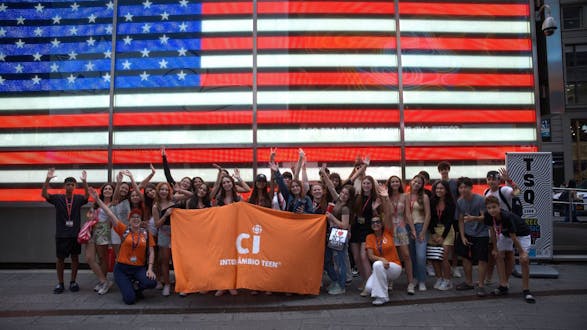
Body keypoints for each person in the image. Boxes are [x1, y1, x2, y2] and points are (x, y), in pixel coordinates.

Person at [89, 188, 157, 305]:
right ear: (129, 220)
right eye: (133, 217)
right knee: (129, 300)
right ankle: (129, 287)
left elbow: (151, 251)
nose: (135, 219)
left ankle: (135, 287)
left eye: (138, 218)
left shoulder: (146, 233)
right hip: (122, 268)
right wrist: (97, 200)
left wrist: (150, 269)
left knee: (151, 282)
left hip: (139, 268)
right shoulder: (123, 229)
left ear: (141, 220)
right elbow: (110, 213)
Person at [41, 168, 89, 294]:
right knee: (60, 259)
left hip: (75, 234)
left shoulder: (78, 199)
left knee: (75, 258)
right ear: (64, 186)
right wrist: (48, 179)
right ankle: (60, 283)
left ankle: (73, 281)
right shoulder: (57, 198)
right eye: (67, 184)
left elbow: (87, 196)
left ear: (75, 186)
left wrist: (84, 182)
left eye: (72, 184)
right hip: (62, 235)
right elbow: (44, 194)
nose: (70, 186)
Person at [484, 196, 535, 303]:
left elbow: (514, 237)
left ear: (499, 207)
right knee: (498, 255)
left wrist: (521, 253)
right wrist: (495, 248)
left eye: (494, 207)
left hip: (521, 234)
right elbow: (492, 233)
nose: (492, 210)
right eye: (489, 208)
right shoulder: (488, 215)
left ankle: (526, 290)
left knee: (524, 260)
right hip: (505, 234)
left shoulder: (506, 216)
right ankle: (503, 285)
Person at [152, 182, 193, 296]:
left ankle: (182, 284)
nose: (164, 192)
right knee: (165, 260)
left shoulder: (174, 199)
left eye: (166, 189)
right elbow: (157, 225)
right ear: (158, 191)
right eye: (162, 189)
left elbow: (190, 195)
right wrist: (165, 215)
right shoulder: (156, 206)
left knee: (179, 260)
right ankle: (167, 284)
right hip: (164, 233)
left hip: (177, 232)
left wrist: (180, 189)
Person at [321, 164, 354, 295]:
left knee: (340, 261)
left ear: (350, 197)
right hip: (334, 233)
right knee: (329, 259)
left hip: (339, 233)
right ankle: (336, 281)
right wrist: (324, 173)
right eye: (343, 192)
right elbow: (330, 186)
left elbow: (344, 226)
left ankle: (341, 285)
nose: (344, 195)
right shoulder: (338, 200)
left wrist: (331, 218)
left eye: (347, 194)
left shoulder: (345, 208)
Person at [455, 177, 489, 297]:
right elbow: (460, 220)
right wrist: (463, 236)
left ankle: (481, 285)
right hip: (467, 233)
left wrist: (473, 218)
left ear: (471, 187)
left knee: (482, 259)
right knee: (465, 257)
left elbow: (486, 217)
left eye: (465, 187)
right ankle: (468, 282)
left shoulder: (481, 200)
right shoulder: (459, 202)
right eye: (460, 187)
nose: (463, 190)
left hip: (482, 233)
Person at [385, 175, 416, 294]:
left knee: (406, 255)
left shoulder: (405, 196)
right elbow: (386, 213)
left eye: (397, 181)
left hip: (402, 228)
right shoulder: (386, 196)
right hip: (389, 228)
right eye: (392, 181)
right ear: (389, 183)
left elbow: (408, 214)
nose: (395, 183)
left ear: (400, 183)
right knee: (391, 256)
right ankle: (390, 281)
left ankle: (410, 283)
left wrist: (412, 229)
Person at [364, 217, 403, 305]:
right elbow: (370, 256)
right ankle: (385, 283)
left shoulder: (388, 232)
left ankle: (382, 297)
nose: (375, 224)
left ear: (382, 224)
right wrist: (382, 259)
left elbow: (388, 214)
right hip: (381, 267)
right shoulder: (369, 237)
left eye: (378, 222)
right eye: (373, 222)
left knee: (377, 264)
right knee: (369, 288)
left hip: (394, 266)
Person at [352, 175, 381, 296]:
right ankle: (365, 280)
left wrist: (374, 209)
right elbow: (353, 214)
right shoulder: (357, 197)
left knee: (364, 257)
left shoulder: (376, 198)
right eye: (364, 183)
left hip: (367, 229)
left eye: (368, 183)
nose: (366, 185)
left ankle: (371, 285)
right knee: (356, 257)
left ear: (372, 185)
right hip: (356, 229)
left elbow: (378, 218)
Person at [428, 180, 456, 291]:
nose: (439, 190)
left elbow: (450, 221)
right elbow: (429, 218)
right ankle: (439, 278)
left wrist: (442, 236)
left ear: (446, 190)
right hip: (434, 231)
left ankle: (448, 280)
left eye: (441, 188)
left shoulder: (451, 202)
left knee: (443, 257)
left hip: (447, 231)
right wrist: (433, 234)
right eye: (437, 188)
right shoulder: (431, 201)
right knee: (434, 257)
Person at [437, 161, 461, 279]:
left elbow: (460, 195)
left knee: (454, 244)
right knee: (442, 244)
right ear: (439, 171)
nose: (444, 171)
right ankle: (443, 267)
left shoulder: (454, 183)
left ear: (448, 170)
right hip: (442, 217)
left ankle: (455, 267)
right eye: (442, 169)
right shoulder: (438, 184)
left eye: (446, 169)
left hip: (455, 216)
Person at [407, 174, 431, 291]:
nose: (416, 184)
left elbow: (428, 215)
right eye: (415, 181)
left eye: (419, 183)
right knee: (412, 256)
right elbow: (406, 214)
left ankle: (422, 280)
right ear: (411, 182)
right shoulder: (406, 196)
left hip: (421, 226)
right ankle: (415, 277)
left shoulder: (424, 197)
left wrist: (422, 232)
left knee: (421, 256)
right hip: (408, 227)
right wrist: (411, 229)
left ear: (422, 185)